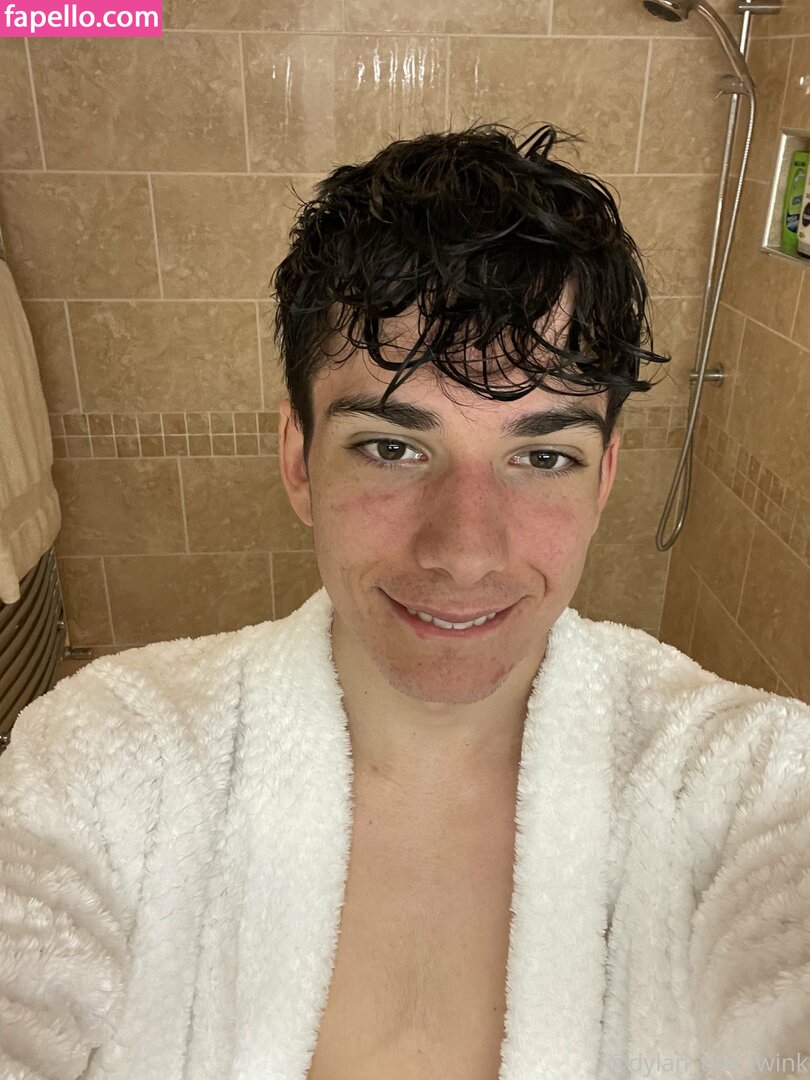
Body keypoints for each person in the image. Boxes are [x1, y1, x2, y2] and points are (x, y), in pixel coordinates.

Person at [1, 123, 808, 1080]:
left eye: (543, 456)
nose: (465, 553)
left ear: (604, 480)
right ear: (300, 460)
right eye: (392, 447)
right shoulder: (109, 754)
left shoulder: (738, 782)